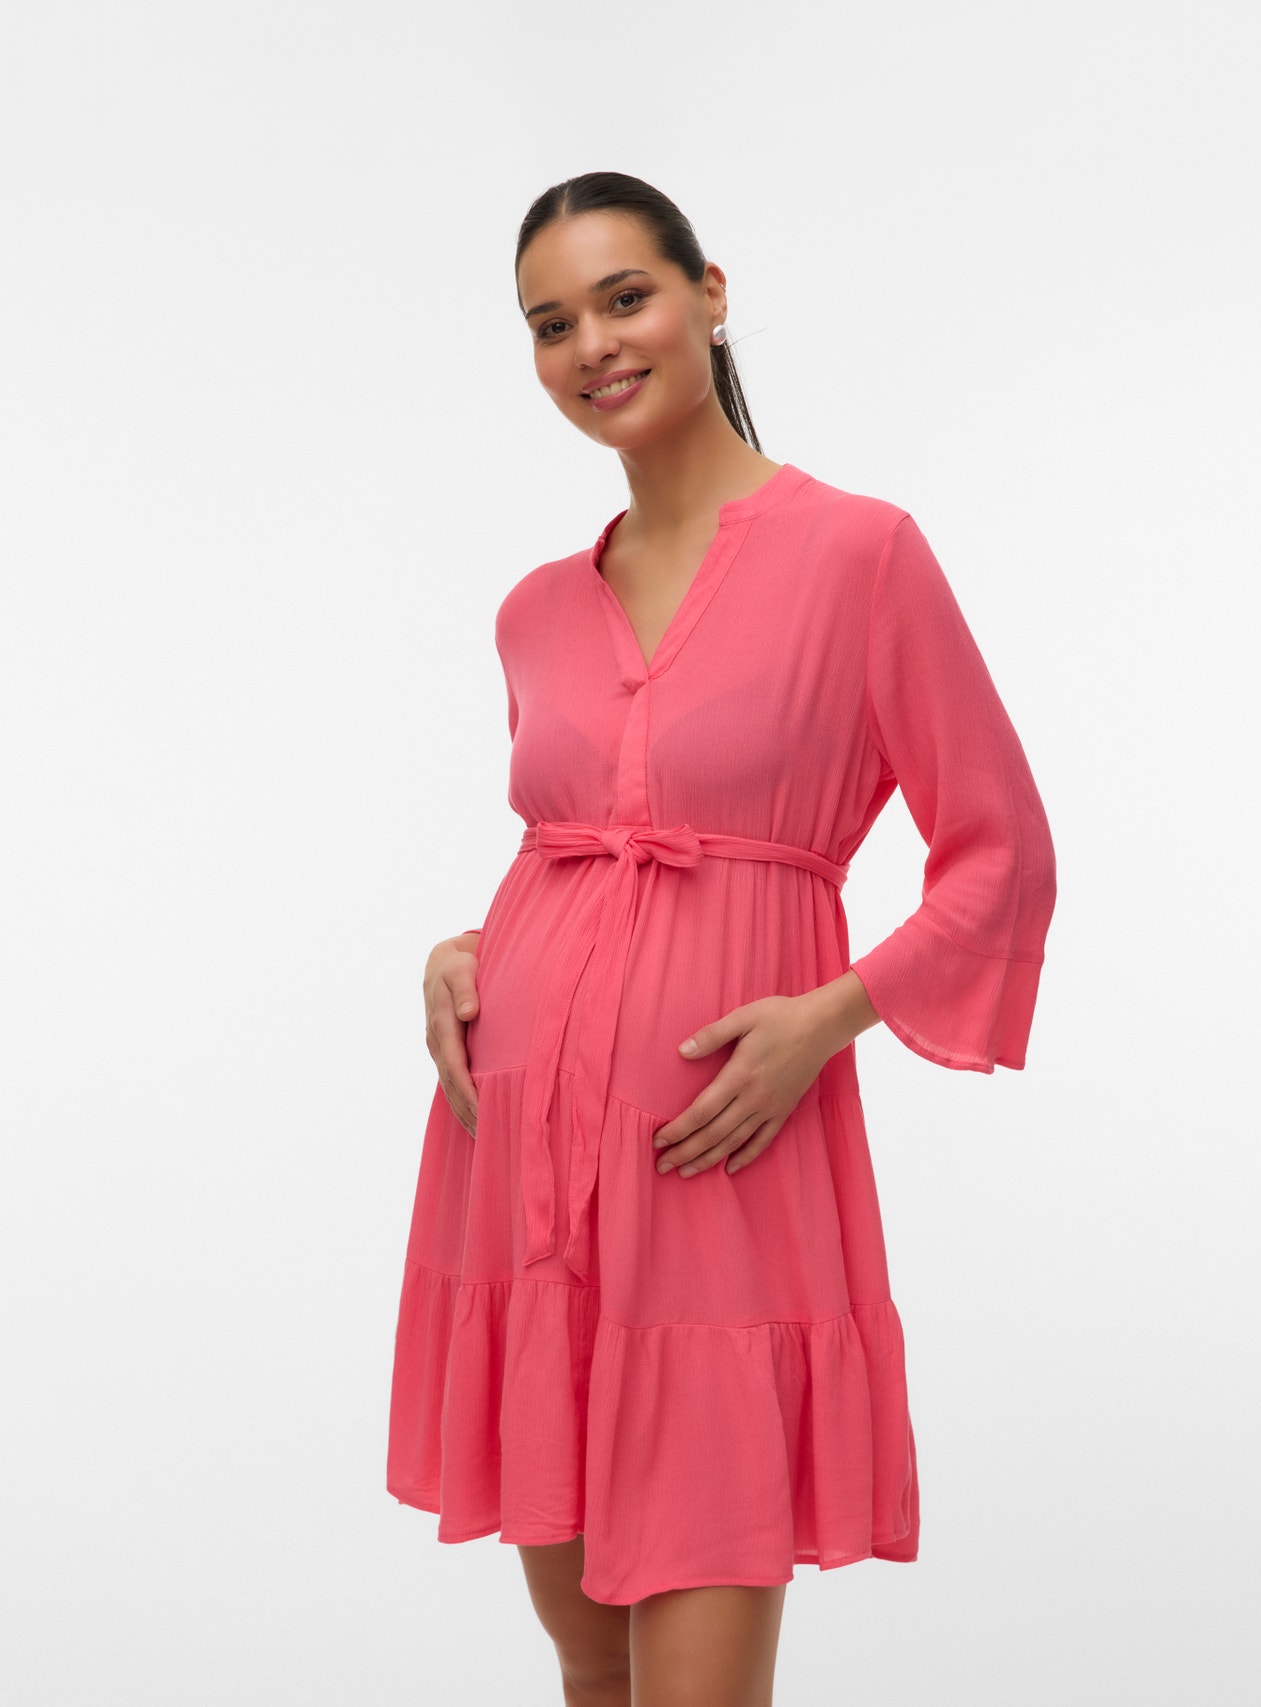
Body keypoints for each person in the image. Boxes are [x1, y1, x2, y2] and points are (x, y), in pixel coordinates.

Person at [387, 170, 1057, 1706]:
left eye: (624, 297)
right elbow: (579, 843)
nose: (591, 346)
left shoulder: (859, 555)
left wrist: (830, 1014)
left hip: (717, 1174)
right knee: (591, 1670)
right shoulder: (535, 610)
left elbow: (1003, 853)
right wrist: (469, 945)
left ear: (710, 292)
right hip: (521, 1171)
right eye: (550, 323)